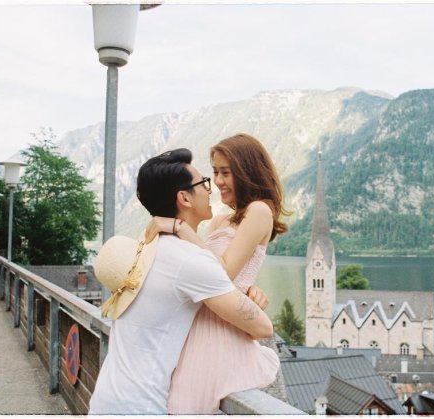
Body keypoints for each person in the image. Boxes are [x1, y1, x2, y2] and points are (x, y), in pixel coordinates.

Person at [88, 148, 274, 415]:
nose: (211, 189)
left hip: (106, 400)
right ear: (184, 198)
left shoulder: (148, 248)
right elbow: (263, 327)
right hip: (142, 408)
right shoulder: (191, 261)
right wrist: (247, 298)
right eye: (204, 183)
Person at [144, 133, 290, 414]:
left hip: (221, 330)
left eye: (226, 173)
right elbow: (203, 268)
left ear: (247, 172)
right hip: (199, 323)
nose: (218, 181)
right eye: (215, 172)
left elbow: (222, 272)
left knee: (185, 405)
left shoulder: (260, 211)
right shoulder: (221, 220)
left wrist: (178, 228)